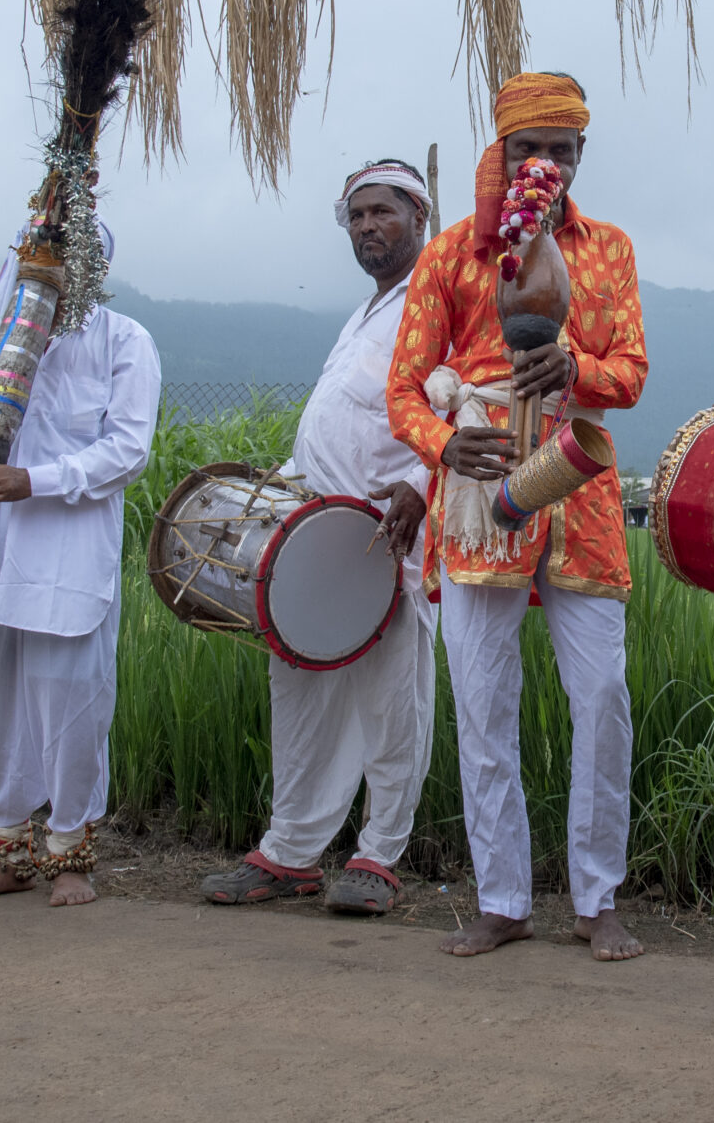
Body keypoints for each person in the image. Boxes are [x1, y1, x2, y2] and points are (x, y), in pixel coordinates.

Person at [386, 72, 650, 961]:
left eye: (563, 151)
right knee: (486, 701)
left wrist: (574, 368)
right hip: (478, 491)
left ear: (581, 157)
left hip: (579, 483)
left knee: (602, 698)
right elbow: (404, 387)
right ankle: (501, 898)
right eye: (529, 149)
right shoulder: (451, 252)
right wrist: (440, 444)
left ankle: (598, 897)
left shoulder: (608, 248)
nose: (546, 165)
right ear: (500, 150)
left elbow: (632, 373)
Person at [203, 161, 436, 915]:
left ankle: (378, 857)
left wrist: (421, 486)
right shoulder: (366, 311)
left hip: (387, 536)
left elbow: (470, 406)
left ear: (419, 213)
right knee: (300, 692)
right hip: (315, 532)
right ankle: (291, 853)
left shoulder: (443, 300)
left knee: (391, 697)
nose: (367, 227)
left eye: (381, 212)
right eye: (355, 216)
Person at [0, 222, 159, 909]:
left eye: (56, 260)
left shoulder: (124, 341)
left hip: (64, 557)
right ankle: (9, 845)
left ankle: (70, 852)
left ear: (90, 271)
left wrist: (37, 479)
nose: (40, 270)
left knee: (70, 703)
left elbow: (126, 450)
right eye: (31, 257)